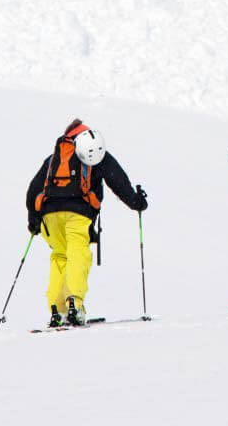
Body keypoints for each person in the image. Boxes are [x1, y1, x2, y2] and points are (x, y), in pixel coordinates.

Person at [26, 118, 147, 326]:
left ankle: (58, 310)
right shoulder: (95, 152)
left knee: (60, 256)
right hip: (78, 213)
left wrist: (33, 218)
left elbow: (34, 188)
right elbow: (116, 179)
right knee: (78, 254)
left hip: (49, 216)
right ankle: (74, 304)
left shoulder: (54, 158)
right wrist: (136, 202)